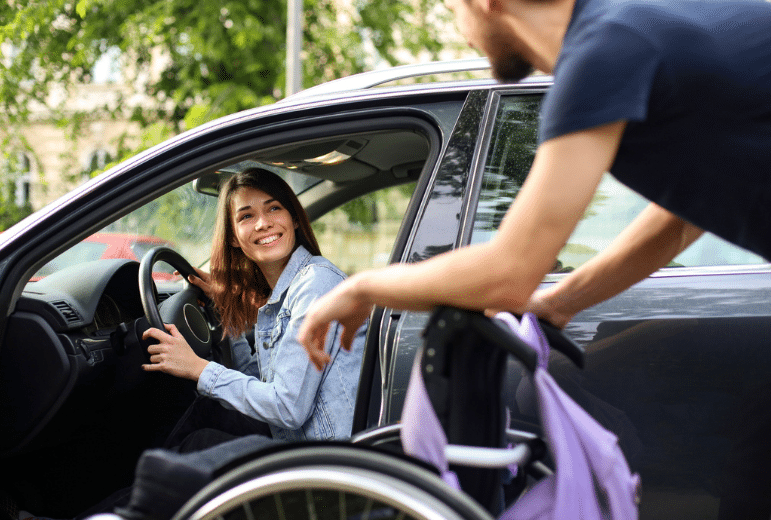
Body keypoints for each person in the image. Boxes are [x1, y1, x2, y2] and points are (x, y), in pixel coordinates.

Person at [297, 0, 771, 517]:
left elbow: (509, 272)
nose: (461, 29)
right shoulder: (627, 30)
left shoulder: (607, 46)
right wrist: (566, 300)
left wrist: (363, 287)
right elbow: (680, 217)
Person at [143, 167, 366, 450]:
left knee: (196, 444)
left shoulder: (315, 284)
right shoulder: (284, 294)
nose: (263, 223)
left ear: (294, 219)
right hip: (302, 442)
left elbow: (286, 407)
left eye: (273, 208)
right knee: (206, 416)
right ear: (234, 237)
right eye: (247, 216)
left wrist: (197, 367)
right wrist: (223, 309)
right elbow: (264, 382)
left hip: (328, 461)